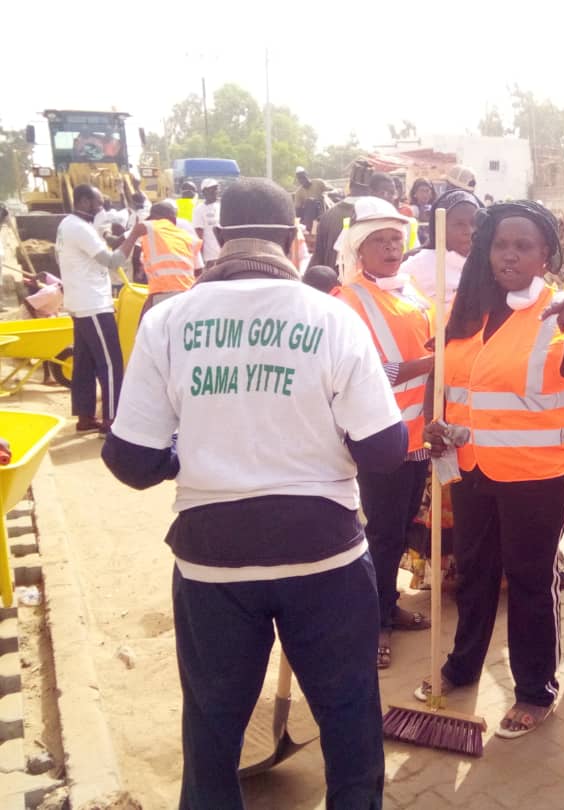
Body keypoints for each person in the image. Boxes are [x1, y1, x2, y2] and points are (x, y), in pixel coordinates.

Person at [101, 178, 402, 809]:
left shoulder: (168, 321)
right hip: (325, 557)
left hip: (212, 562)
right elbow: (384, 450)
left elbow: (130, 461)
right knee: (349, 724)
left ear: (214, 240)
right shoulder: (332, 318)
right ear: (295, 241)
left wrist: (187, 456)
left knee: (211, 734)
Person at [420, 201, 564, 738]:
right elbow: (444, 376)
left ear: (546, 254)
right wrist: (433, 420)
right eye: (500, 245)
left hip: (540, 475)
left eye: (523, 246)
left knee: (529, 579)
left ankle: (535, 688)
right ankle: (462, 665)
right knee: (473, 574)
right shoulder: (468, 309)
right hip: (470, 467)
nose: (509, 255)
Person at [334, 197, 435, 670]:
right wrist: (434, 363)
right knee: (380, 534)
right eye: (380, 241)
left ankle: (387, 607)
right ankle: (373, 623)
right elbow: (370, 372)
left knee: (397, 532)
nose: (392, 248)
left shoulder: (411, 290)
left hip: (418, 437)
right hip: (380, 437)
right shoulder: (347, 300)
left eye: (397, 239)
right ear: (360, 249)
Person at [55, 184, 139, 433]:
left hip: (79, 302)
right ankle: (112, 420)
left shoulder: (67, 224)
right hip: (93, 304)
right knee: (111, 362)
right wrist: (136, 235)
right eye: (97, 203)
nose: (101, 208)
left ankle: (85, 417)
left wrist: (119, 238)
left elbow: (100, 251)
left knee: (84, 363)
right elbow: (113, 262)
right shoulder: (80, 229)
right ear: (83, 202)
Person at [398, 188, 481, 306]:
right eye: (459, 224)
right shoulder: (422, 263)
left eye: (474, 223)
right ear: (440, 227)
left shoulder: (487, 262)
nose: (469, 231)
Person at [134, 201, 202, 314]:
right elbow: (199, 270)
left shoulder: (149, 228)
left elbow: (122, 246)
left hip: (161, 296)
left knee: (146, 328)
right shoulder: (189, 238)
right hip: (187, 296)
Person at [192, 179, 222, 269]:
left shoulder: (221, 206)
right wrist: (200, 259)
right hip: (210, 258)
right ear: (204, 192)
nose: (215, 191)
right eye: (212, 189)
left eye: (216, 188)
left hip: (223, 255)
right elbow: (199, 235)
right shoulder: (199, 210)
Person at [294, 167, 331, 231]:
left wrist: (326, 194)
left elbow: (334, 190)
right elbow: (298, 210)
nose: (302, 180)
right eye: (300, 178)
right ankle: (308, 229)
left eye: (303, 177)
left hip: (323, 210)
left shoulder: (319, 183)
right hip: (309, 215)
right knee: (310, 202)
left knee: (312, 201)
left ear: (307, 175)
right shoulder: (298, 193)